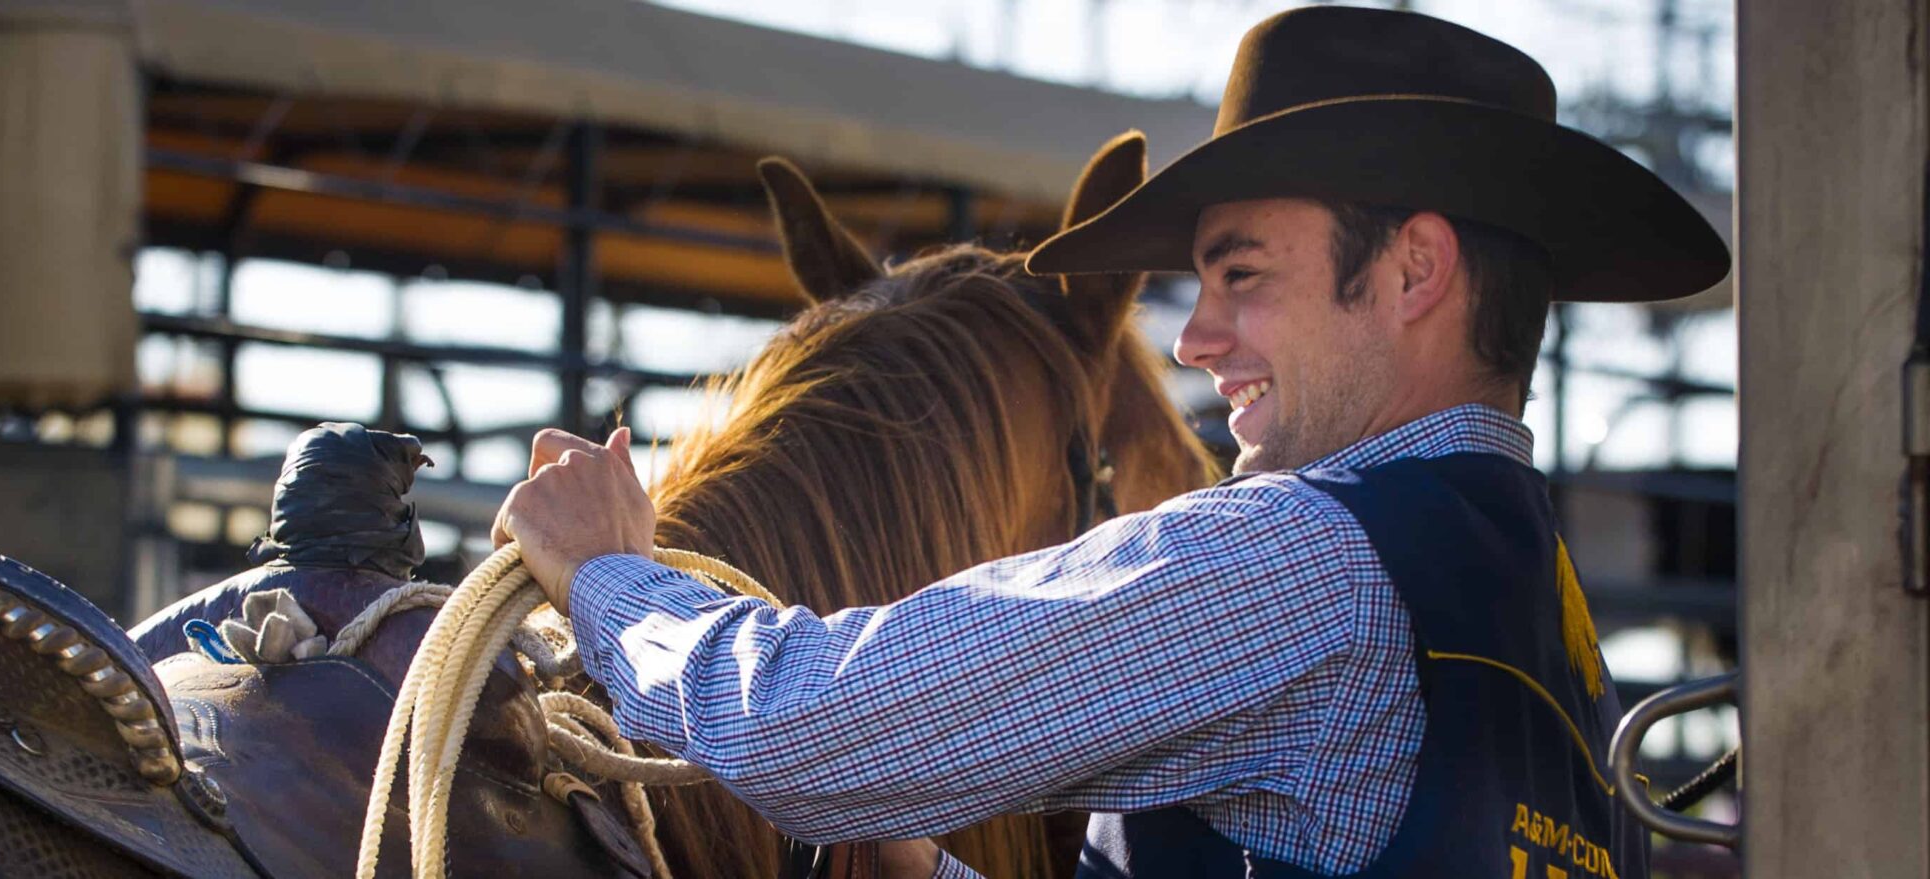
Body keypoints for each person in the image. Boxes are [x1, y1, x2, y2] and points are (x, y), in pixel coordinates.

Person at [492, 7, 1728, 878]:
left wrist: (610, 574)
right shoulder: (1541, 619)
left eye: (1239, 276)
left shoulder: (1303, 559)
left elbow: (808, 732)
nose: (1193, 340)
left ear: (1411, 269)